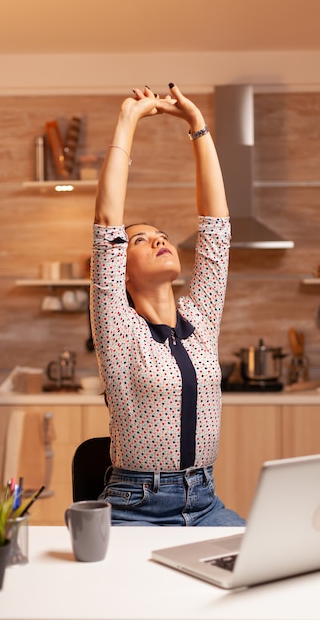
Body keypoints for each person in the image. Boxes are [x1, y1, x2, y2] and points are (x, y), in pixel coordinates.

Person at [91, 83, 245, 526]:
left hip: (205, 502)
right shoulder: (119, 328)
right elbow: (106, 222)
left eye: (160, 234)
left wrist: (198, 127)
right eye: (140, 239)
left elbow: (216, 228)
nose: (158, 238)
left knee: (263, 580)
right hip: (135, 507)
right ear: (120, 264)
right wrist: (129, 118)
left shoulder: (198, 319)